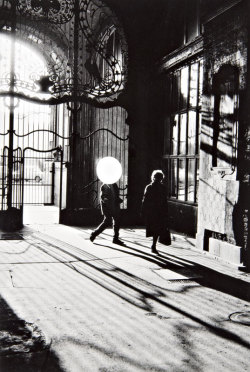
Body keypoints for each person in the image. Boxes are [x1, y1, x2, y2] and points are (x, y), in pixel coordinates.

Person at [141, 170, 168, 254]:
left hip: (151, 211)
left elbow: (144, 200)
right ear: (161, 178)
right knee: (157, 228)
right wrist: (166, 212)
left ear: (153, 177)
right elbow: (165, 201)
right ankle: (154, 245)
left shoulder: (149, 187)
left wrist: (143, 211)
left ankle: (153, 244)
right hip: (159, 211)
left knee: (153, 227)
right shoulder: (163, 188)